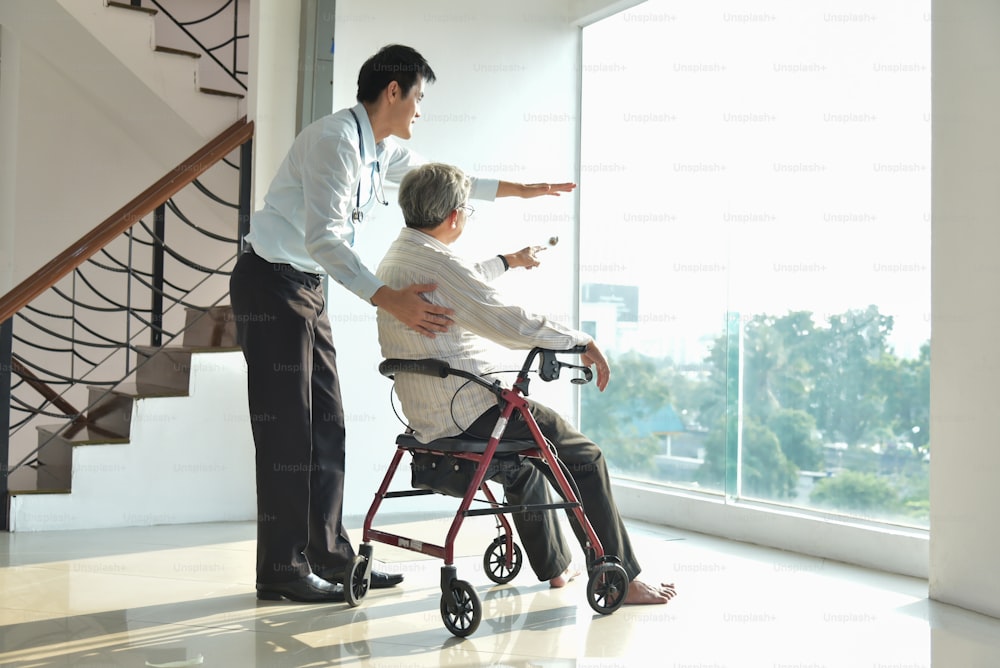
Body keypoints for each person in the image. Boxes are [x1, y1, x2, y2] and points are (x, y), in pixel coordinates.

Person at [230, 44, 576, 604]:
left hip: (304, 285)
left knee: (328, 425)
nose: (420, 110)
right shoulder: (335, 143)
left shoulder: (378, 149)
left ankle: (328, 556)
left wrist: (519, 190)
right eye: (418, 96)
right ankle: (282, 570)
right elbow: (324, 237)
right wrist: (386, 298)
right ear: (393, 91)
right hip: (271, 283)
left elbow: (446, 179)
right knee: (288, 431)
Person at [375, 163, 678, 605]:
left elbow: (460, 283)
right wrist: (579, 340)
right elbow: (507, 322)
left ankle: (557, 567)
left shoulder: (398, 257)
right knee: (584, 456)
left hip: (427, 411)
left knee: (524, 463)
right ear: (455, 215)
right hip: (470, 408)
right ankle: (621, 579)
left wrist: (507, 261)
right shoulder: (441, 263)